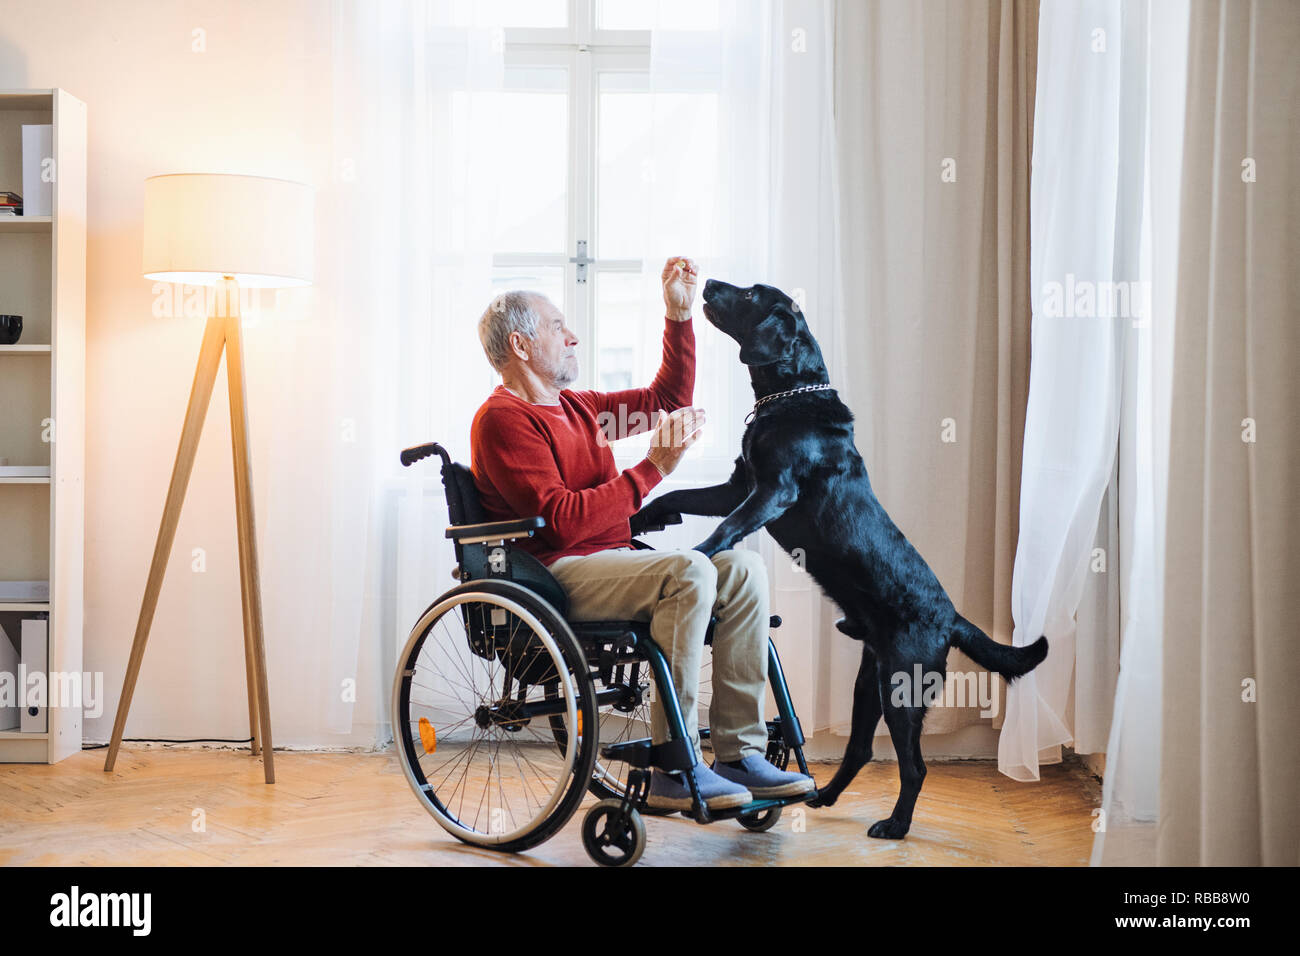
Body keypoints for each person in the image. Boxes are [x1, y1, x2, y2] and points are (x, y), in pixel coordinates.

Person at [470, 256, 814, 811]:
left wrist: (679, 315)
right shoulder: (504, 420)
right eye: (559, 327)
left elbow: (665, 402)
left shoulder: (577, 410)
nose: (573, 336)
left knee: (745, 569)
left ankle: (737, 754)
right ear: (522, 344)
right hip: (555, 576)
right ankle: (674, 767)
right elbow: (561, 520)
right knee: (690, 570)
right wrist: (654, 466)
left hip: (612, 562)